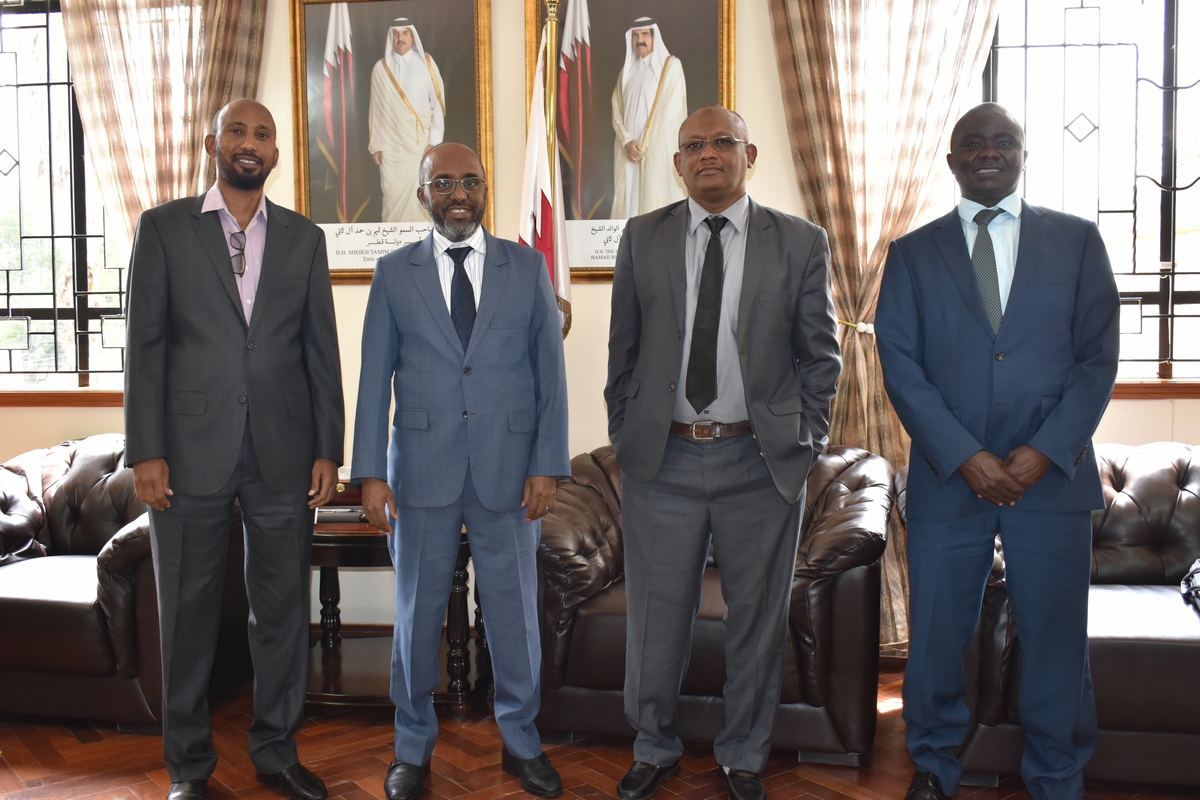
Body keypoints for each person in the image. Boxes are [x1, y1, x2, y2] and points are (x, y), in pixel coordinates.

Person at [875, 103, 1120, 800]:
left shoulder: (1077, 241)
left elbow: (1097, 360)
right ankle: (933, 763)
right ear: (952, 161)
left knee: (1056, 637)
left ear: (1023, 154)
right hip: (949, 477)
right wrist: (964, 456)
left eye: (1003, 141)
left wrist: (1045, 450)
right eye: (973, 143)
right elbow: (900, 365)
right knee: (936, 635)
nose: (989, 152)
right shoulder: (911, 253)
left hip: (1052, 479)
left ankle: (1057, 772)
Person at [605, 105, 841, 800]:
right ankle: (653, 746)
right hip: (663, 462)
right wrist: (625, 430)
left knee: (757, 622)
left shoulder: (800, 241)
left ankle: (743, 755)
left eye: (722, 141)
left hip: (758, 462)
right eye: (693, 145)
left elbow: (820, 358)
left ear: (749, 154)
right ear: (677, 162)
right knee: (655, 621)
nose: (707, 153)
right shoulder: (642, 237)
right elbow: (623, 351)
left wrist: (805, 439)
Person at [124, 99, 344, 800]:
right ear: (212, 143)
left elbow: (320, 350)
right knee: (187, 615)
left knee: (281, 612)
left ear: (276, 152)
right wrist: (145, 450)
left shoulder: (305, 238)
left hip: (285, 451)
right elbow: (145, 347)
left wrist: (329, 448)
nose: (250, 142)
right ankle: (188, 767)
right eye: (237, 131)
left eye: (263, 134)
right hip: (188, 453)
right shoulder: (163, 228)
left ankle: (277, 751)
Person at [352, 142, 570, 800]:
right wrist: (369, 473)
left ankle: (521, 741)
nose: (457, 194)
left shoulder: (526, 267)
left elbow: (550, 376)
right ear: (422, 193)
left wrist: (548, 464)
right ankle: (411, 747)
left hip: (511, 470)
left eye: (469, 181)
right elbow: (374, 379)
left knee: (514, 616)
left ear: (484, 190)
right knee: (416, 616)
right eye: (442, 182)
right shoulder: (395, 273)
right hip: (420, 472)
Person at [610, 17, 688, 219]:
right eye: (635, 35)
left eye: (645, 34)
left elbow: (671, 113)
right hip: (629, 153)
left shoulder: (671, 67)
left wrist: (644, 145)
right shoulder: (626, 71)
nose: (640, 40)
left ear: (654, 36)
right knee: (628, 208)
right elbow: (616, 108)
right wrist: (627, 142)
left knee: (653, 208)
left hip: (654, 153)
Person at [369, 18, 445, 222]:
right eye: (396, 33)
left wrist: (434, 143)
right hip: (391, 147)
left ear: (412, 36)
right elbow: (375, 110)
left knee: (420, 195)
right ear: (391, 37)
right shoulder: (380, 68)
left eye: (405, 33)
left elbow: (438, 105)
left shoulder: (426, 64)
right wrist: (375, 145)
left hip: (420, 145)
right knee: (392, 198)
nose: (400, 38)